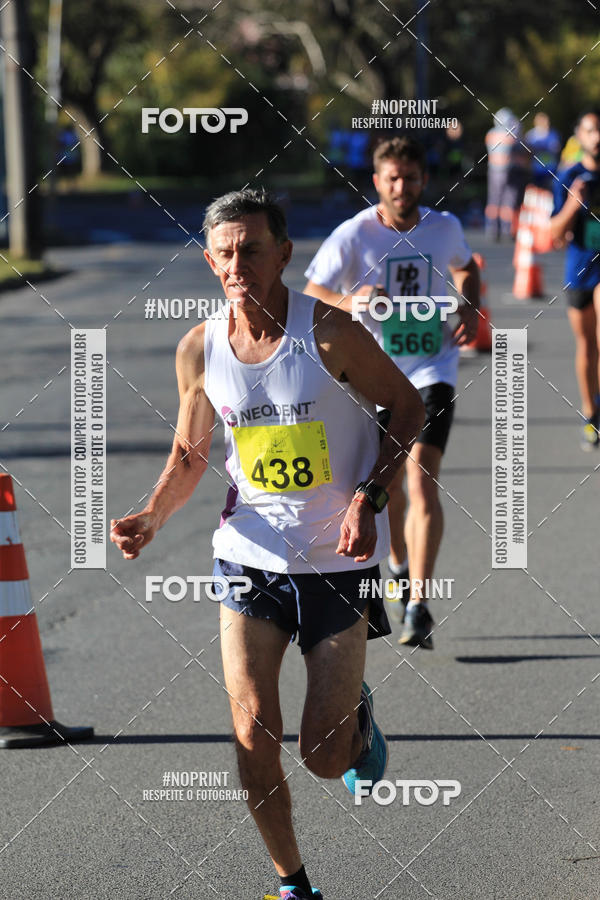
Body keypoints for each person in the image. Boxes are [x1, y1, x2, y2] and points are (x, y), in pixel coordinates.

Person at [110, 189, 425, 900]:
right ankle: (294, 885)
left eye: (252, 249)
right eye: (224, 252)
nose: (237, 264)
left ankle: (355, 725)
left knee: (321, 753)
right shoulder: (199, 347)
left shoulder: (331, 335)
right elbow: (191, 454)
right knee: (252, 733)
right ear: (208, 260)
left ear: (283, 253)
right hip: (248, 557)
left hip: (341, 563)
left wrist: (367, 496)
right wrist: (153, 516)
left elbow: (406, 406)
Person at [304, 135, 480, 650]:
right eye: (391, 178)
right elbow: (312, 291)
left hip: (432, 369)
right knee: (391, 488)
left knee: (423, 480)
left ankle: (419, 603)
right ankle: (400, 571)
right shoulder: (353, 235)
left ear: (424, 181)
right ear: (377, 182)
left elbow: (464, 266)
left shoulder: (444, 227)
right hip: (376, 381)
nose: (401, 186)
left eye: (410, 177)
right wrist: (352, 297)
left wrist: (467, 302)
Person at [550, 109, 600, 449]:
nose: (598, 136)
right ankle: (590, 413)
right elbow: (553, 235)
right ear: (580, 137)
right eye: (591, 130)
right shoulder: (569, 176)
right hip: (580, 270)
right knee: (587, 346)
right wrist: (572, 204)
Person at [485, 108, 530, 240]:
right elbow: (522, 147)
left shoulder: (490, 134)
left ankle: (492, 228)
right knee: (509, 199)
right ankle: (506, 229)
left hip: (493, 171)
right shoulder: (509, 135)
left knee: (494, 199)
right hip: (507, 171)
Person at [525, 112, 561, 190]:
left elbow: (556, 149)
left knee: (548, 194)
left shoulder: (553, 134)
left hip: (550, 170)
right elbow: (527, 152)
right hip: (535, 170)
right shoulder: (530, 135)